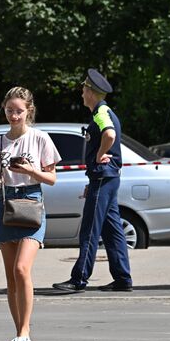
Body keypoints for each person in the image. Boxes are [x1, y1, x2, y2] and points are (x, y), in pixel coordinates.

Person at [0, 87, 61, 341]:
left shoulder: (40, 138)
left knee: (21, 269)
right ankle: (18, 330)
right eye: (9, 111)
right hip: (7, 205)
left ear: (28, 110)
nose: (14, 116)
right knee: (10, 277)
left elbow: (52, 178)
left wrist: (32, 170)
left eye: (19, 111)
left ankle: (25, 330)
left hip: (32, 202)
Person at [52, 68, 132, 293]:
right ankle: (123, 278)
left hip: (103, 178)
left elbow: (109, 135)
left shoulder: (101, 113)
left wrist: (98, 157)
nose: (81, 94)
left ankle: (79, 279)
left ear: (91, 92)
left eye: (84, 89)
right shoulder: (104, 111)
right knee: (112, 230)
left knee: (89, 230)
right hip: (105, 178)